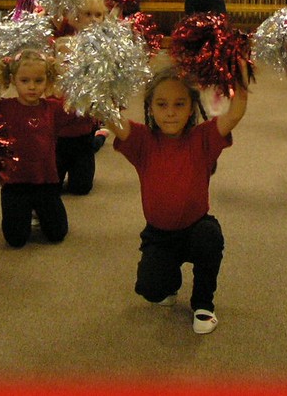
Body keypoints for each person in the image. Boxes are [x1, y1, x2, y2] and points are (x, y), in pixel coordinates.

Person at [104, 62, 250, 335]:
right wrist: (93, 77)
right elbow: (107, 115)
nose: (170, 113)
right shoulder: (142, 141)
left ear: (192, 107)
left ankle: (203, 303)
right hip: (158, 235)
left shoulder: (203, 137)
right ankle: (169, 279)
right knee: (151, 290)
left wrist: (239, 74)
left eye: (179, 104)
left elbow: (237, 112)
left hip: (196, 228)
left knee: (210, 237)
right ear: (150, 108)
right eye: (161, 105)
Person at [0, 50, 78, 248]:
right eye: (25, 81)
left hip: (46, 181)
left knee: (58, 234)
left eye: (39, 81)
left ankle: (37, 211)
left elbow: (77, 112)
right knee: (15, 240)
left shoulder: (52, 108)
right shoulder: (4, 107)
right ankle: (26, 212)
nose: (32, 87)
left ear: (47, 80)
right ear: (13, 80)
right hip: (15, 183)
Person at [52, 0, 110, 194]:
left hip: (83, 130)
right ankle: (98, 137)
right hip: (59, 135)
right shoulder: (64, 44)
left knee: (81, 188)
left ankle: (99, 137)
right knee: (52, 186)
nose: (93, 19)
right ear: (76, 17)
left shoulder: (105, 48)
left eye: (98, 15)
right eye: (88, 14)